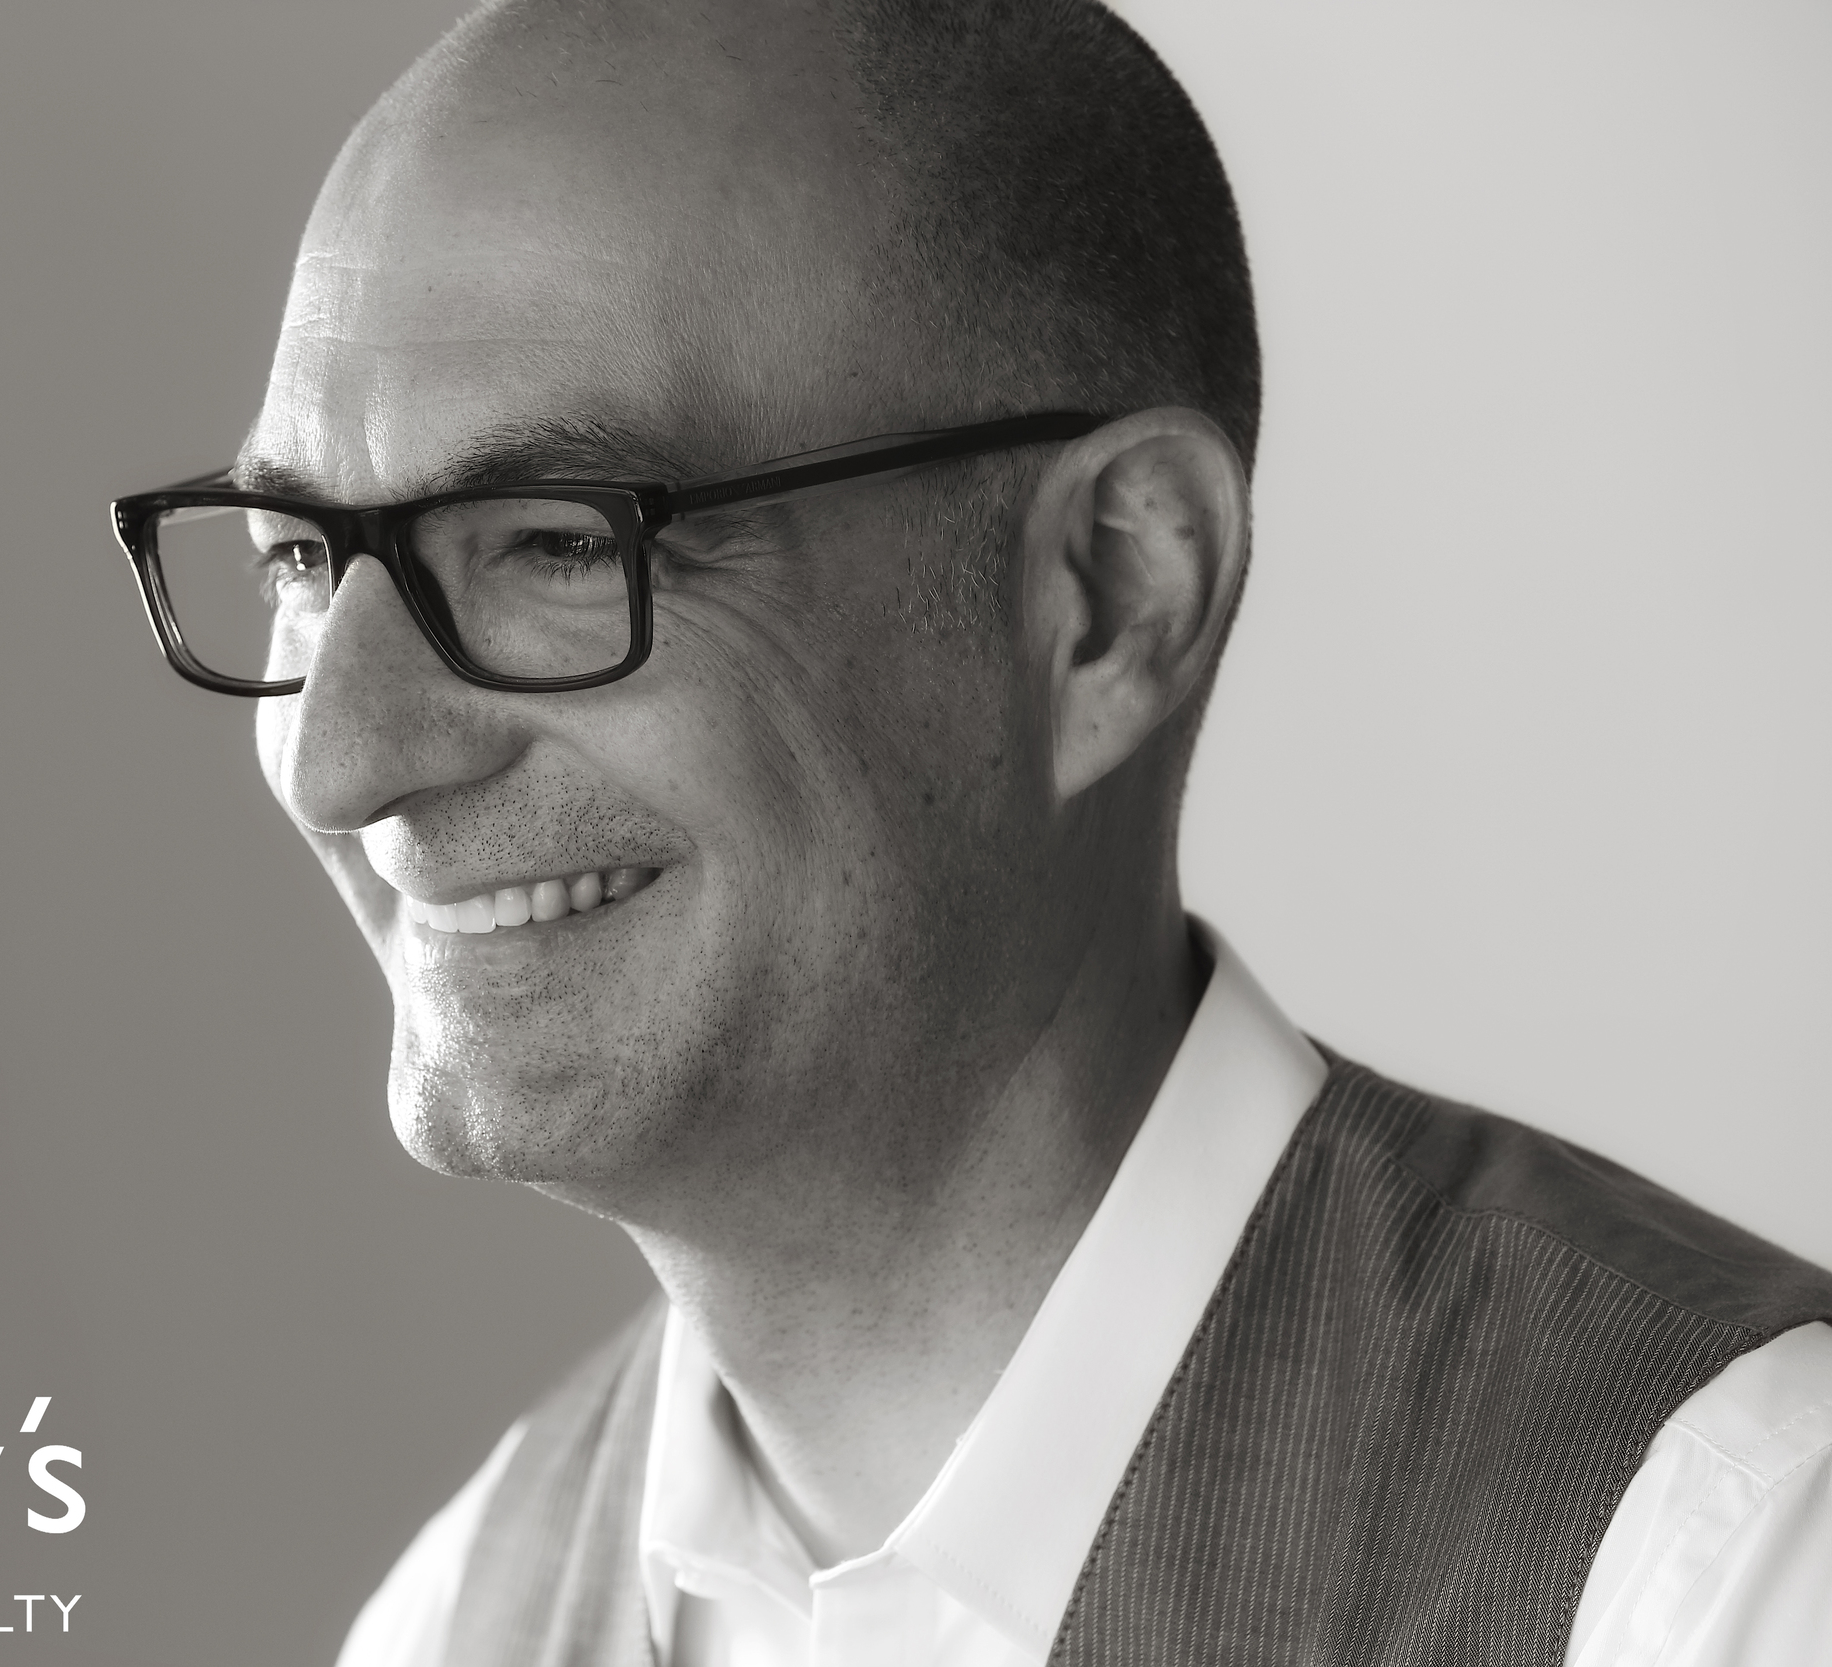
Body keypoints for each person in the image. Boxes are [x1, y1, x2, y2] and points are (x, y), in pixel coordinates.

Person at [111, 2, 1832, 1662]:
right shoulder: (448, 1622)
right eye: (300, 561)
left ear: (1111, 594)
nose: (343, 760)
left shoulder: (1734, 1562)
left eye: (559, 543)